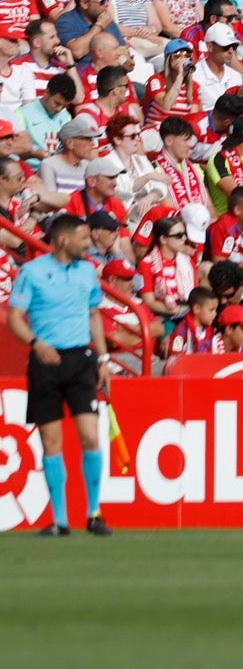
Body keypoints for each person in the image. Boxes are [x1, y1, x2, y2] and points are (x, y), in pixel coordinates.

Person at [5, 213, 112, 536]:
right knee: (51, 442)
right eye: (83, 237)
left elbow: (94, 314)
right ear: (63, 240)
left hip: (81, 359)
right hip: (45, 361)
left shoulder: (87, 272)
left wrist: (103, 357)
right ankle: (60, 520)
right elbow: (14, 318)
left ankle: (94, 513)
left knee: (90, 436)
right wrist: (35, 343)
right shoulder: (32, 272)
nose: (88, 242)